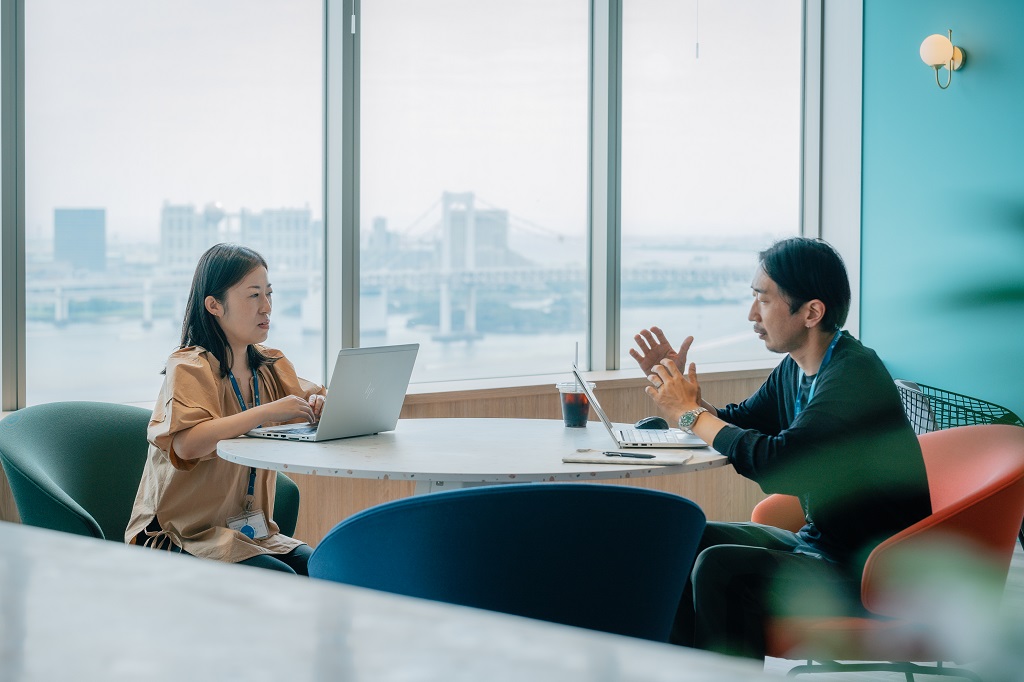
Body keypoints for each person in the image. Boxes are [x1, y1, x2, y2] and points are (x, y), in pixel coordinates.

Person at [631, 237, 931, 659]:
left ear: (811, 312)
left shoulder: (854, 375)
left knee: (720, 568)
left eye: (763, 300)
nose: (752, 314)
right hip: (820, 545)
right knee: (683, 539)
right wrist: (687, 397)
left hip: (874, 571)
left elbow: (780, 466)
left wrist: (689, 415)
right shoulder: (796, 368)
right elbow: (741, 420)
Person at [125, 243, 327, 575]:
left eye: (269, 294)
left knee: (323, 570)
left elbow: (314, 398)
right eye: (253, 296)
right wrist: (265, 413)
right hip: (180, 535)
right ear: (214, 305)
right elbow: (188, 444)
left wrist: (321, 405)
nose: (267, 308)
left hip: (253, 534)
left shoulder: (271, 364)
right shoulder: (190, 366)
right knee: (281, 579)